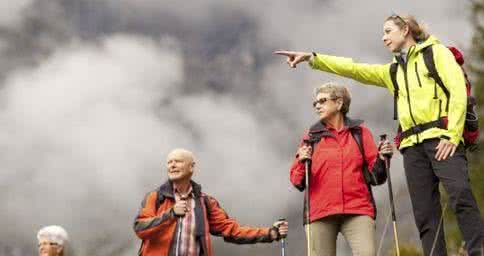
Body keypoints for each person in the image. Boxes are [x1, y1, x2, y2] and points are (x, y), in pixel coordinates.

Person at [276, 14, 484, 256]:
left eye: (388, 31)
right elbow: (355, 69)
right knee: (425, 213)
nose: (383, 38)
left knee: (460, 193)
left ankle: (477, 250)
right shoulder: (393, 71)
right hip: (411, 146)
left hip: (442, 138)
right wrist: (313, 59)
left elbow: (458, 91)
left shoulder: (437, 54)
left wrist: (451, 134)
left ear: (405, 29)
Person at [289, 82, 392, 256]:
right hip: (320, 212)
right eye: (315, 103)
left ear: (339, 103)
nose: (317, 106)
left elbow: (377, 177)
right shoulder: (311, 137)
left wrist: (383, 158)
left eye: (322, 101)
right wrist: (301, 160)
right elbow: (297, 181)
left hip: (358, 209)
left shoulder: (360, 133)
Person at [133, 148, 289, 256]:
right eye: (169, 162)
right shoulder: (155, 197)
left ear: (191, 167)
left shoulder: (205, 202)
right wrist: (171, 214)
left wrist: (270, 233)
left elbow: (232, 230)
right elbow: (140, 228)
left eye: (178, 161)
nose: (172, 165)